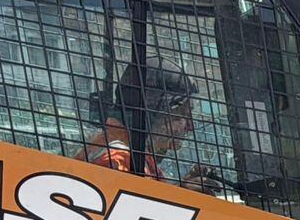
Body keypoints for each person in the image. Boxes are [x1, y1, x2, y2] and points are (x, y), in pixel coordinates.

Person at [81, 57, 217, 191]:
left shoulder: (135, 154)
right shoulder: (119, 160)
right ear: (150, 113)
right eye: (182, 115)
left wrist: (181, 191)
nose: (190, 127)